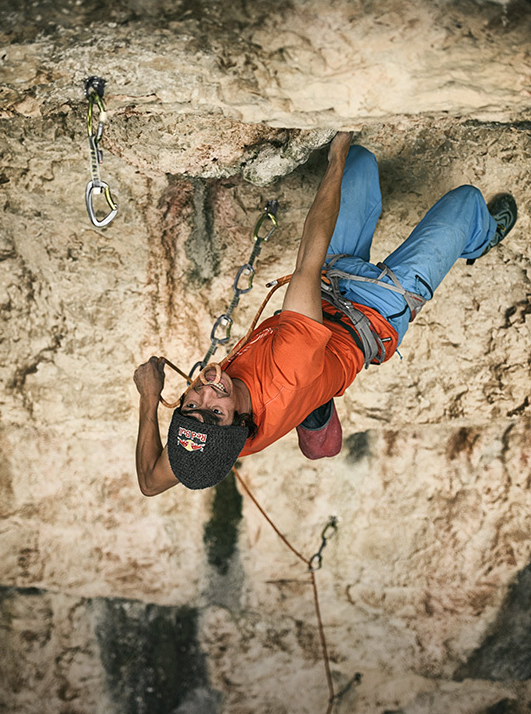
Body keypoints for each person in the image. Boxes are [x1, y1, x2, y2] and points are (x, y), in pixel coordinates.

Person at [133, 132, 517, 493]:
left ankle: (315, 408)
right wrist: (335, 156)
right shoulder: (288, 369)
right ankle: (482, 238)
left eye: (190, 406)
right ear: (241, 425)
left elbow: (150, 483)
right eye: (215, 411)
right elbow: (307, 264)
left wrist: (150, 398)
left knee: (362, 163)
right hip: (375, 312)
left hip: (327, 300)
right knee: (466, 201)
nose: (204, 392)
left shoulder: (214, 446)